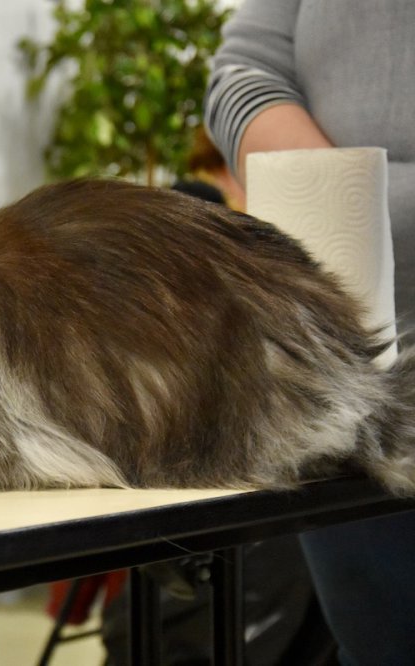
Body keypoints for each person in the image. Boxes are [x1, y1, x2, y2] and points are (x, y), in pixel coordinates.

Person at [205, 2, 415, 664]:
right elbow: (245, 71)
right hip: (344, 373)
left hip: (342, 352)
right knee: (378, 643)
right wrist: (339, 193)